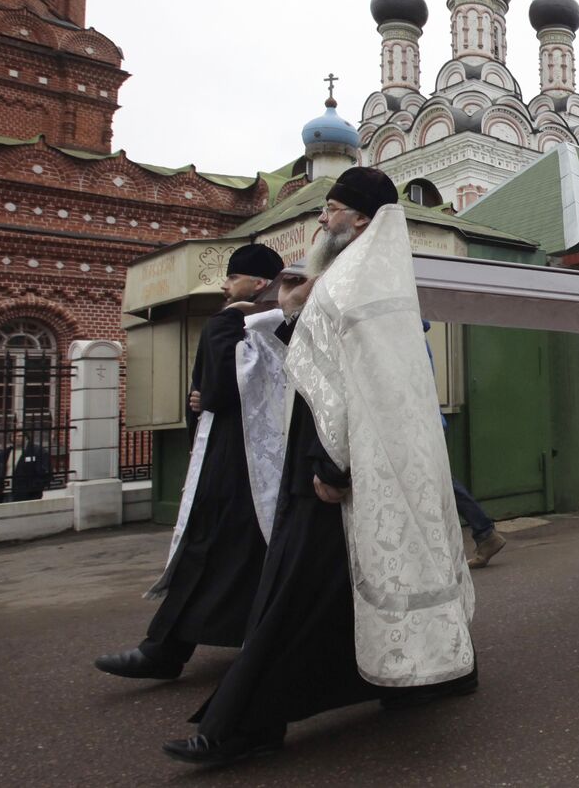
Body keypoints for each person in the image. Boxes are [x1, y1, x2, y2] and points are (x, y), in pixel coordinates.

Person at [165, 167, 476, 766]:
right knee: (349, 587)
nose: (322, 219)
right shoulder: (349, 277)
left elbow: (351, 385)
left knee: (295, 591)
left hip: (334, 467)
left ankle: (243, 725)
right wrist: (288, 312)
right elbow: (316, 365)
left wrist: (333, 467)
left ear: (361, 218)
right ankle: (427, 676)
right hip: (345, 462)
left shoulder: (356, 281)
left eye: (332, 209)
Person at [96, 243, 284, 681]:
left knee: (208, 549)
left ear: (257, 284)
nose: (224, 284)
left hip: (236, 464)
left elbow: (215, 393)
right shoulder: (275, 327)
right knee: (241, 554)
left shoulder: (238, 324)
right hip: (260, 463)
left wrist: (224, 322)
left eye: (233, 276)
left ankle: (166, 650)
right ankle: (170, 648)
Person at [421, 318, 507, 570]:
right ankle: (484, 534)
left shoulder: (408, 338)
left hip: (419, 424)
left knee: (439, 482)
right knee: (439, 481)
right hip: (425, 422)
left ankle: (484, 534)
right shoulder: (415, 336)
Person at [0, 431, 50, 503]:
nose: (17, 438)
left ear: (26, 438)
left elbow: (45, 472)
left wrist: (35, 488)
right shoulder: (4, 453)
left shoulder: (37, 451)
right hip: (5, 491)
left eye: (20, 436)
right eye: (14, 436)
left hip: (26, 492)